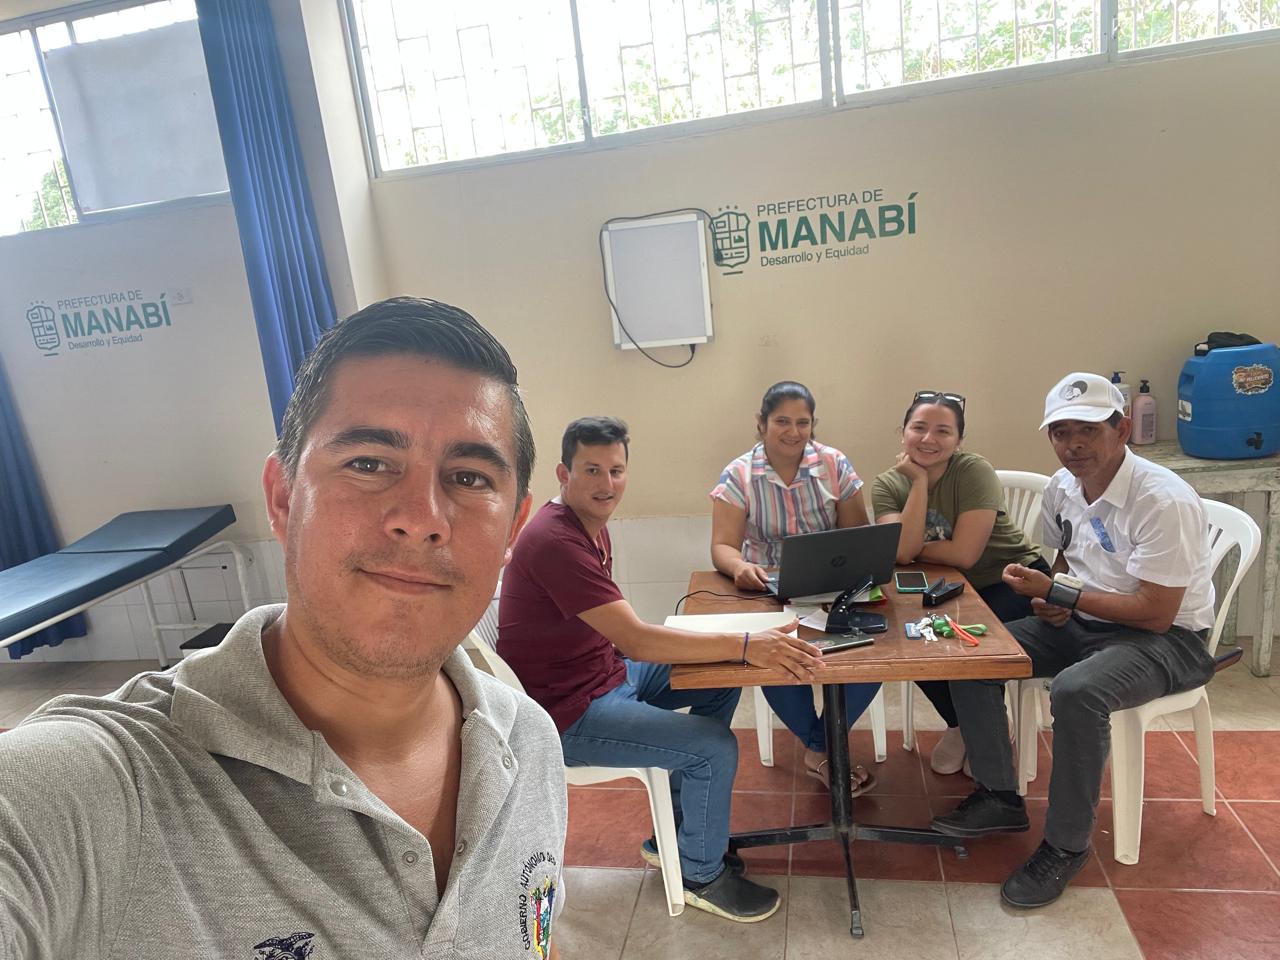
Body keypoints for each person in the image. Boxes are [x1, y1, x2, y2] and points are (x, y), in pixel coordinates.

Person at [0, 297, 570, 959]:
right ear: (283, 497)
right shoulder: (94, 793)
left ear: (513, 529)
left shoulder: (529, 741)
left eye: (469, 477)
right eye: (368, 463)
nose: (420, 518)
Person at [500, 416, 823, 923]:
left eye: (616, 470)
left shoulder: (588, 527)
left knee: (720, 674)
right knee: (714, 746)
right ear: (564, 474)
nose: (607, 484)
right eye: (592, 470)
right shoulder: (555, 541)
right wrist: (746, 644)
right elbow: (634, 638)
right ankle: (699, 874)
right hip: (566, 714)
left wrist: (738, 649)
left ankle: (678, 834)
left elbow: (624, 639)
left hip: (605, 675)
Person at [930, 372, 1216, 908]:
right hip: (1085, 621)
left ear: (1122, 429)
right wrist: (1053, 600)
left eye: (1088, 430)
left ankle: (1065, 845)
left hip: (1167, 640)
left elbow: (1156, 613)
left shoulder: (1162, 500)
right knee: (973, 650)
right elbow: (1066, 560)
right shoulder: (1062, 486)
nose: (1074, 445)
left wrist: (1062, 594)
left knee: (1077, 691)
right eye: (1061, 432)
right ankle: (999, 795)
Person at [709, 381, 881, 794]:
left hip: (832, 587)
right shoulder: (739, 474)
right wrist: (739, 567)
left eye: (803, 422)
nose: (793, 432)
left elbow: (857, 535)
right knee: (772, 658)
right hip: (768, 589)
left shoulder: (834, 464)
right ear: (761, 423)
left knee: (873, 652)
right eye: (782, 421)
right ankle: (825, 748)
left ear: (813, 424)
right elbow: (722, 547)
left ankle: (818, 747)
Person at [872, 391, 1050, 775]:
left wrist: (913, 549)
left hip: (1011, 580)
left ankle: (986, 732)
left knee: (966, 645)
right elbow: (902, 553)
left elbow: (966, 555)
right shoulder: (888, 485)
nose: (928, 439)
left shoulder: (973, 470)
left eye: (943, 431)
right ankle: (961, 725)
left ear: (959, 441)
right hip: (948, 586)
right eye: (919, 428)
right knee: (910, 639)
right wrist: (918, 483)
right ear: (902, 432)